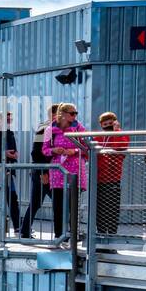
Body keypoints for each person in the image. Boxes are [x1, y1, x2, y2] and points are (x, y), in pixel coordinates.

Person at [42, 103, 88, 241]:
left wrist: (73, 151)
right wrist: (53, 150)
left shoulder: (79, 128)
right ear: (62, 114)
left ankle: (73, 235)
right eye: (72, 113)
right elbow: (44, 150)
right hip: (57, 173)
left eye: (76, 113)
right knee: (58, 206)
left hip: (75, 172)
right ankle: (59, 236)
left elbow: (87, 148)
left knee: (73, 207)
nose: (74, 116)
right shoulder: (49, 129)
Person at [21, 104, 59, 238]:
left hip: (46, 171)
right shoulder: (44, 129)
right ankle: (61, 234)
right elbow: (35, 152)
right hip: (44, 171)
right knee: (59, 202)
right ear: (54, 115)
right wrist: (43, 172)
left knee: (36, 202)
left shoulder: (53, 128)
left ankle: (25, 231)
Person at [93, 112, 129, 235]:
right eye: (105, 124)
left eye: (110, 123)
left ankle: (112, 235)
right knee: (100, 210)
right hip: (98, 179)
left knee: (112, 209)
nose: (107, 126)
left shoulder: (120, 134)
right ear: (101, 125)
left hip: (113, 178)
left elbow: (121, 147)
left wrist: (116, 131)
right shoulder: (98, 138)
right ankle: (101, 234)